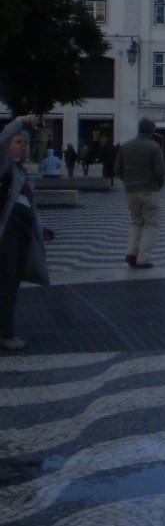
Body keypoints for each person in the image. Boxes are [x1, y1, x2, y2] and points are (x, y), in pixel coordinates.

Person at [1, 115, 55, 351]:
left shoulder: (21, 174)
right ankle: (5, 335)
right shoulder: (4, 167)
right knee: (6, 285)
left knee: (10, 285)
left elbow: (28, 206)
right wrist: (21, 120)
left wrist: (41, 229)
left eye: (26, 142)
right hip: (7, 235)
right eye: (18, 142)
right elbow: (2, 140)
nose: (24, 146)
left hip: (20, 233)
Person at [115, 118, 165, 270]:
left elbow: (117, 169)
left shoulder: (125, 146)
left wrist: (127, 181)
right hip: (149, 189)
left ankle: (131, 252)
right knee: (151, 224)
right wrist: (159, 185)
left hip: (131, 190)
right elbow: (160, 171)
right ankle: (142, 259)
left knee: (136, 222)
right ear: (152, 131)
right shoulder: (154, 147)